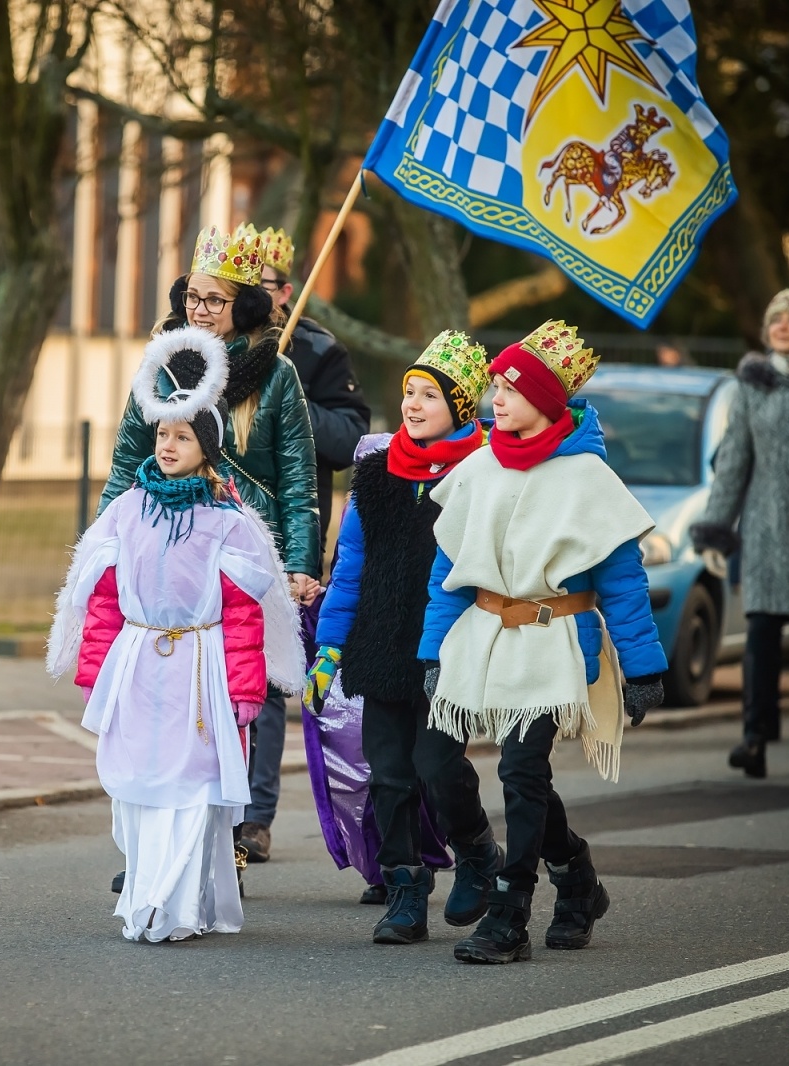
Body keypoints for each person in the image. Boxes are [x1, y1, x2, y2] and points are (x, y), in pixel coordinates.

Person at [418, 321, 667, 965]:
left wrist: (642, 667)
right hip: (479, 636)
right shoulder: (478, 466)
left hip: (553, 639)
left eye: (510, 388)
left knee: (522, 774)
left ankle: (510, 912)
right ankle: (577, 875)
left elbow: (623, 581)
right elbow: (448, 572)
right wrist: (431, 652)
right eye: (495, 386)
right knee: (437, 760)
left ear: (547, 400)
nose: (494, 399)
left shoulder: (586, 476)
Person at [50, 325, 304, 941]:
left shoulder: (228, 524)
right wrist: (96, 671)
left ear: (207, 447)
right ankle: (145, 891)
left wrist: (246, 689)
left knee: (191, 790)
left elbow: (244, 616)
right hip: (139, 666)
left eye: (183, 436)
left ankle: (181, 905)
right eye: (162, 433)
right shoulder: (126, 510)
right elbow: (104, 599)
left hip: (200, 671)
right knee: (140, 785)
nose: (167, 445)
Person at [100, 222, 320, 867]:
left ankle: (237, 833)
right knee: (165, 705)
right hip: (170, 555)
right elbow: (126, 462)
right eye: (192, 297)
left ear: (244, 305)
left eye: (214, 300)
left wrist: (300, 566)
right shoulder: (161, 368)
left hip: (246, 559)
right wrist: (104, 547)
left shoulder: (277, 377)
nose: (199, 309)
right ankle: (159, 846)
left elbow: (300, 480)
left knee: (245, 696)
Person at [306, 331, 489, 943]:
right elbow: (350, 564)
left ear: (460, 406)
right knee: (387, 773)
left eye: (429, 395)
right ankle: (405, 888)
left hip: (449, 644)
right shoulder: (376, 471)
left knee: (438, 765)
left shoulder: (481, 472)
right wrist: (329, 649)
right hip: (380, 641)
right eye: (409, 391)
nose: (413, 404)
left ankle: (477, 853)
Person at [692, 290, 789, 779]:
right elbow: (734, 461)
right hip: (767, 530)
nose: (782, 326)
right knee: (761, 638)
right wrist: (716, 531)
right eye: (775, 319)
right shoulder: (751, 386)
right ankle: (755, 739)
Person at [258, 226, 371, 554]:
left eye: (260, 286)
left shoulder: (320, 348)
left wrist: (290, 401)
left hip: (291, 528)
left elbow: (350, 437)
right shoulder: (215, 340)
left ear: (283, 292)